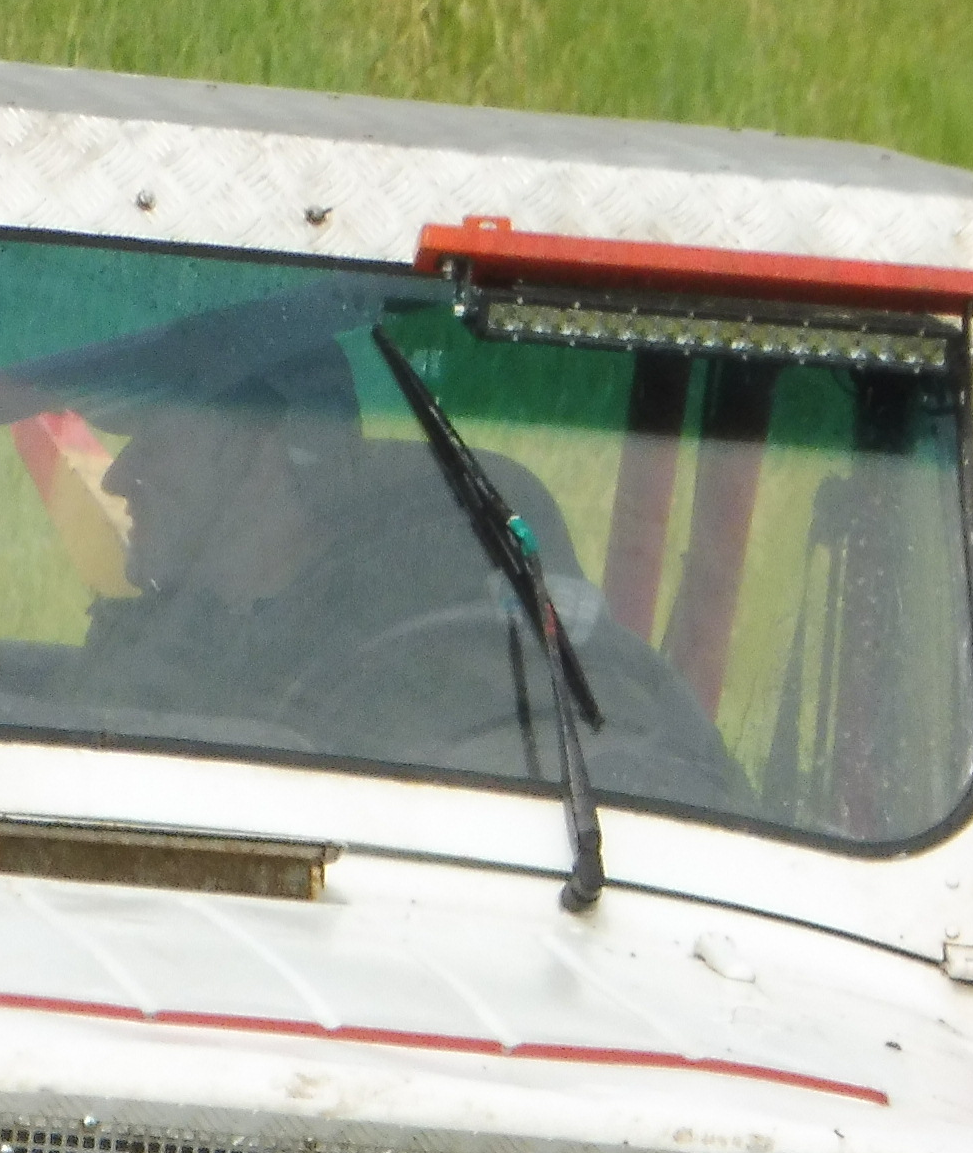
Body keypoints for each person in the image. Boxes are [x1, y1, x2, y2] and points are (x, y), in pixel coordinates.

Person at [79, 340, 740, 807]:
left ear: (266, 440)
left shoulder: (447, 681)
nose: (118, 475)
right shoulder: (166, 646)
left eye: (157, 438)